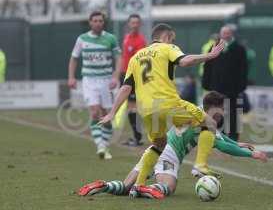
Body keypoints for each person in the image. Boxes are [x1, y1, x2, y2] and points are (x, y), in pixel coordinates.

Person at [98, 23, 225, 199]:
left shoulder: (136, 57)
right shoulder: (167, 48)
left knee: (159, 144)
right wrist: (210, 55)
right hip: (168, 104)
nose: (174, 41)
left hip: (146, 110)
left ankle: (139, 185)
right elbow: (186, 61)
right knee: (210, 123)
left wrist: (112, 112)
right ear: (166, 36)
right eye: (172, 38)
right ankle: (201, 165)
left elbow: (125, 88)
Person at [78, 91, 268, 198]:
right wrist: (252, 155)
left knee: (125, 186)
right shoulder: (205, 122)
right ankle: (146, 189)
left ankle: (104, 186)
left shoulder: (197, 113)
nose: (223, 114)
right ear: (211, 109)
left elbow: (221, 138)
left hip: (154, 150)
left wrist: (238, 143)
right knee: (168, 187)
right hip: (168, 156)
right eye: (221, 111)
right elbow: (222, 145)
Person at [68, 11, 121, 159]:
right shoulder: (82, 39)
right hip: (89, 80)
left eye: (100, 21)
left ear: (103, 23)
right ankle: (101, 146)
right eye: (95, 21)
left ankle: (104, 143)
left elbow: (118, 58)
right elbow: (74, 58)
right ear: (90, 22)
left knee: (106, 115)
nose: (98, 23)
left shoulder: (110, 38)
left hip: (106, 80)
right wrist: (71, 77)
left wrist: (115, 77)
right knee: (94, 112)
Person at [202, 24, 248, 141]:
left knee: (233, 113)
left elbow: (244, 69)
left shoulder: (239, 49)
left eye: (228, 33)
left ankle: (233, 138)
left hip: (233, 88)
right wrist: (206, 83)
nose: (226, 35)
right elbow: (208, 66)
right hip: (217, 88)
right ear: (220, 34)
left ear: (231, 34)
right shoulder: (214, 47)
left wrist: (242, 86)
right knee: (217, 113)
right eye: (224, 33)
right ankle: (218, 136)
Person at [120, 14, 147, 147]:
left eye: (137, 23)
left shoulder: (140, 41)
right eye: (133, 23)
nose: (135, 25)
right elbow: (123, 57)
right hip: (125, 74)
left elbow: (140, 62)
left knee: (133, 107)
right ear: (129, 24)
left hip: (134, 77)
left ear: (140, 24)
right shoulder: (126, 38)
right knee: (131, 107)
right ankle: (136, 136)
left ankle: (138, 137)